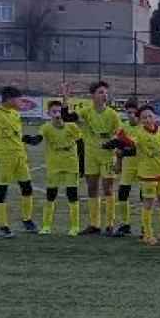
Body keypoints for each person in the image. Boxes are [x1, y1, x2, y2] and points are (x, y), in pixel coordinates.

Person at [0, 86, 41, 239]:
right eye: (19, 99)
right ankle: (3, 226)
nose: (21, 102)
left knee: (27, 187)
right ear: (10, 99)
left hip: (20, 156)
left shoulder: (15, 113)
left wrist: (28, 139)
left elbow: (16, 134)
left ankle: (27, 220)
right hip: (4, 157)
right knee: (2, 189)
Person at [60, 81, 121, 236]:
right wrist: (65, 98)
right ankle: (94, 224)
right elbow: (66, 117)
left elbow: (119, 134)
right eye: (101, 92)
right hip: (90, 155)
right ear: (93, 95)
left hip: (107, 155)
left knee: (108, 189)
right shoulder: (86, 112)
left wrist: (113, 143)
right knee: (92, 188)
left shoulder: (112, 114)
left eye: (106, 92)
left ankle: (110, 224)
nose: (104, 95)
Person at [118, 105, 160, 246]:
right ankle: (147, 234)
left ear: (155, 117)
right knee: (148, 203)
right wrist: (121, 137)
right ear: (140, 120)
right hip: (147, 174)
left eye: (150, 116)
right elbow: (130, 142)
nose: (148, 119)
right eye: (144, 117)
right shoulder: (139, 133)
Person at [38, 99, 84, 237]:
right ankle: (46, 226)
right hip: (54, 164)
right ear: (48, 113)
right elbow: (38, 137)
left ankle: (75, 227)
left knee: (72, 195)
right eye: (54, 112)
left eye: (59, 111)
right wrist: (30, 139)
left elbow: (81, 145)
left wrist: (82, 165)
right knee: (51, 195)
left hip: (71, 164)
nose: (57, 114)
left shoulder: (72, 127)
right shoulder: (46, 127)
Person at [110, 98, 142, 237]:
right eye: (129, 113)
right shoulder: (123, 128)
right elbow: (118, 148)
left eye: (134, 113)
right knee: (123, 193)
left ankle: (145, 226)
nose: (132, 115)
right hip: (128, 165)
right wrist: (118, 163)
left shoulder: (145, 127)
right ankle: (125, 224)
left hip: (144, 165)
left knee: (145, 196)